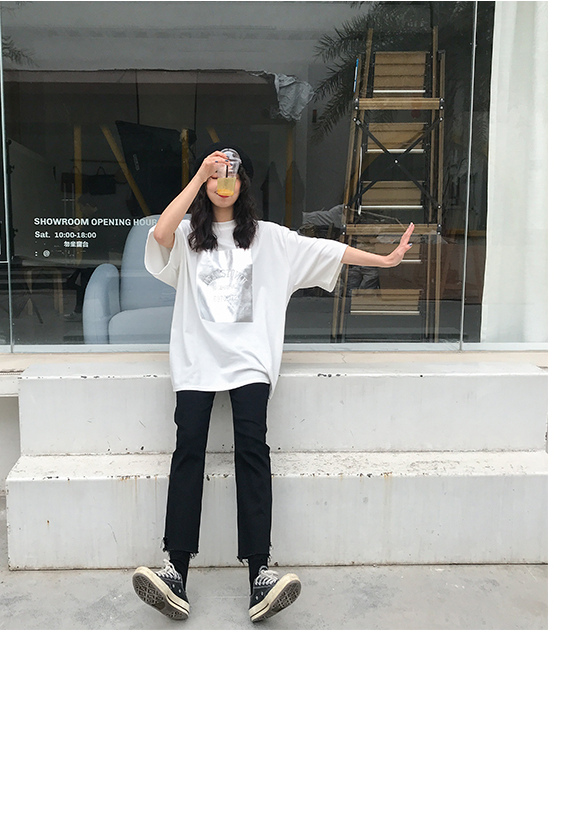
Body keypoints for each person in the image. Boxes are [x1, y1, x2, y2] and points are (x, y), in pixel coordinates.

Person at [131, 143, 414, 624]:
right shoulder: (188, 236)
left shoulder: (269, 238)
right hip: (197, 360)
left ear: (244, 183)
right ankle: (175, 571)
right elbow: (159, 234)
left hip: (249, 363)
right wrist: (198, 175)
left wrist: (384, 261)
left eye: (231, 173)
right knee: (188, 451)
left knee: (252, 452)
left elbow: (327, 251)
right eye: (215, 173)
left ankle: (260, 574)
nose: (223, 181)